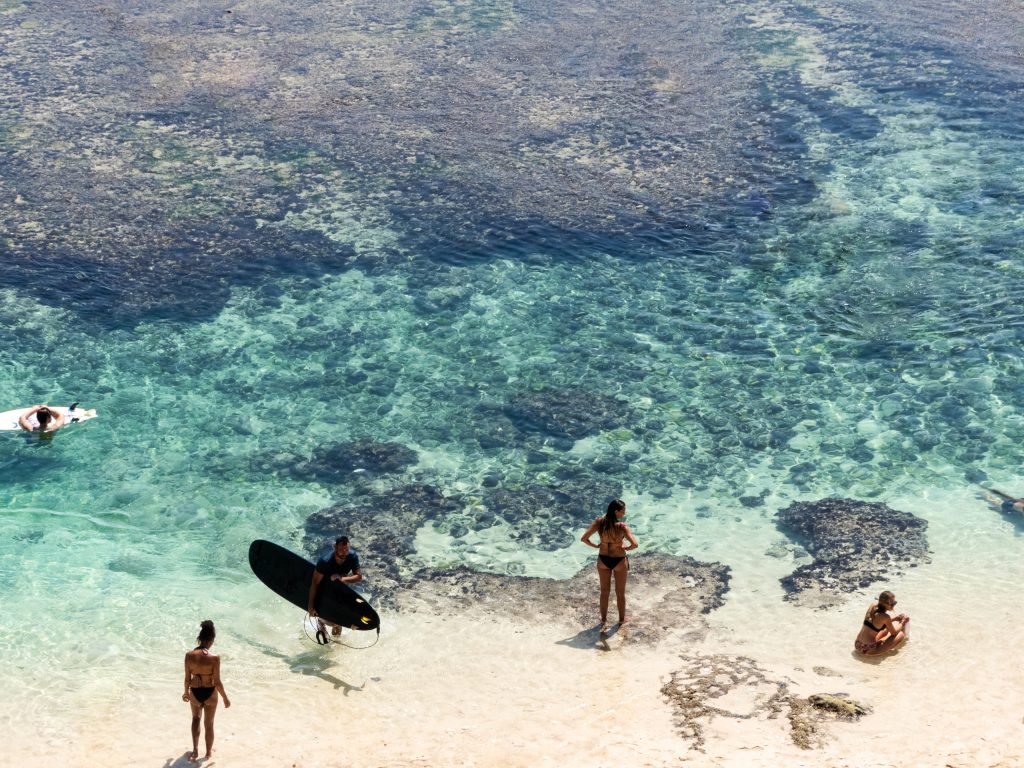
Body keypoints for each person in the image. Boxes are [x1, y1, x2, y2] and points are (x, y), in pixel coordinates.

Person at [581, 498, 638, 630]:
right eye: (622, 512)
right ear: (616, 511)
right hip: (619, 560)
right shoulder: (622, 526)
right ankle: (621, 620)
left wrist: (596, 546)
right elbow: (634, 544)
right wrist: (624, 547)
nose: (624, 514)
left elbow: (584, 538)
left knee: (604, 592)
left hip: (603, 560)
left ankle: (603, 620)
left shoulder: (599, 523)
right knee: (620, 593)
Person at [182, 619, 230, 762]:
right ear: (211, 640)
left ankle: (195, 751)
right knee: (209, 724)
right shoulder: (214, 658)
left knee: (195, 720)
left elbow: (186, 679)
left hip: (195, 693)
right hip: (210, 694)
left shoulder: (189, 655)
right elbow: (217, 682)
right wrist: (225, 698)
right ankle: (208, 753)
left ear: (200, 638)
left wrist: (186, 692)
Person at [308, 536, 363, 638]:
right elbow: (315, 584)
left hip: (340, 589)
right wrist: (310, 606)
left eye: (347, 549)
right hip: (324, 591)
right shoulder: (324, 561)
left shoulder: (352, 556)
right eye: (341, 550)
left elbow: (359, 577)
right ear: (335, 547)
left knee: (338, 623)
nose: (344, 552)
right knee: (332, 622)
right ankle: (321, 622)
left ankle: (336, 646)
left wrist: (342, 579)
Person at [854, 590, 910, 656]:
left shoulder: (872, 607)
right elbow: (894, 633)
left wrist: (894, 618)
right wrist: (903, 622)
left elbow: (875, 622)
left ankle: (881, 642)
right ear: (886, 604)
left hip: (857, 644)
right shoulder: (885, 617)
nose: (893, 605)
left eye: (895, 602)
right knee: (901, 634)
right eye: (892, 603)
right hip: (868, 649)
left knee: (886, 629)